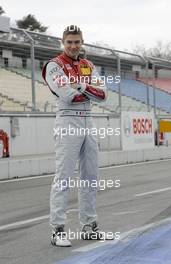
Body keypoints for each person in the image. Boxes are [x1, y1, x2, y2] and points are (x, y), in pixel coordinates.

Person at [42, 25, 108, 247]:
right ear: (63, 42)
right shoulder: (54, 65)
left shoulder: (88, 65)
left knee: (90, 176)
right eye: (69, 42)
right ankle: (57, 229)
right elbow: (67, 95)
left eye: (77, 42)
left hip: (89, 120)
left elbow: (104, 95)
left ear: (82, 42)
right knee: (64, 176)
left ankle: (89, 226)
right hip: (67, 119)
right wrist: (87, 90)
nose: (73, 46)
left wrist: (80, 84)